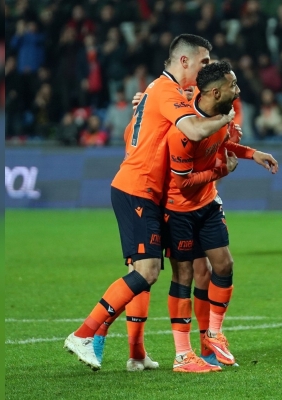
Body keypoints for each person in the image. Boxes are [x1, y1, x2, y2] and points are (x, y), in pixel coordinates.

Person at [64, 34, 235, 372]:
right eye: (203, 61)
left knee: (145, 271)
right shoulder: (166, 92)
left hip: (145, 190)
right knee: (147, 271)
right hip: (140, 189)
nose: (207, 68)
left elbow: (132, 133)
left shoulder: (158, 92)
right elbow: (194, 130)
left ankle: (136, 352)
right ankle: (86, 334)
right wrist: (225, 119)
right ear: (184, 61)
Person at [163, 61, 278, 372]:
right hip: (179, 210)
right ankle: (182, 355)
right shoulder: (183, 132)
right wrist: (220, 171)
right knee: (184, 276)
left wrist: (251, 153)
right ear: (215, 92)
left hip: (208, 203)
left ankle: (214, 334)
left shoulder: (223, 116)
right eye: (233, 86)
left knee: (224, 265)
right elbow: (183, 184)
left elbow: (222, 143)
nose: (238, 91)